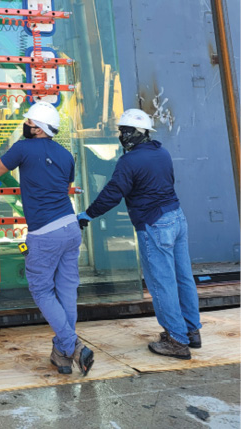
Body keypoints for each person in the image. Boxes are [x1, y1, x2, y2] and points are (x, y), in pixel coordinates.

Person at [0, 101, 93, 377]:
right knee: (66, 291)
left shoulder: (23, 148)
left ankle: (73, 346)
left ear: (37, 129)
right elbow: (62, 188)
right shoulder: (66, 155)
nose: (26, 125)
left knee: (41, 291)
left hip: (45, 232)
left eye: (29, 122)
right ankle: (62, 356)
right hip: (70, 227)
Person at [78, 108, 201, 360]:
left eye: (125, 131)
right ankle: (191, 331)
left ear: (138, 133)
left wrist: (87, 214)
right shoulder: (162, 153)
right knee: (183, 278)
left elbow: (113, 193)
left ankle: (177, 340)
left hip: (154, 224)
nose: (122, 136)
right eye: (121, 131)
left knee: (162, 283)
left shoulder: (130, 161)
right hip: (176, 217)